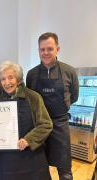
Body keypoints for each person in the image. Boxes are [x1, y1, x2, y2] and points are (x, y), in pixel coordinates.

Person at [26, 32, 79, 180]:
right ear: (38, 51)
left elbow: (74, 96)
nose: (46, 53)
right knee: (39, 168)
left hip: (60, 125)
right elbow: (29, 99)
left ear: (58, 49)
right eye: (42, 49)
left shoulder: (69, 72)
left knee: (65, 170)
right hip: (38, 125)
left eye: (49, 48)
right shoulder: (31, 74)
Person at [0, 61, 53, 180]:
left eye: (11, 77)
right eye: (3, 79)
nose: (7, 82)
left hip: (31, 158)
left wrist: (28, 139)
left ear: (19, 79)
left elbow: (46, 124)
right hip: (7, 161)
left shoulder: (33, 97)